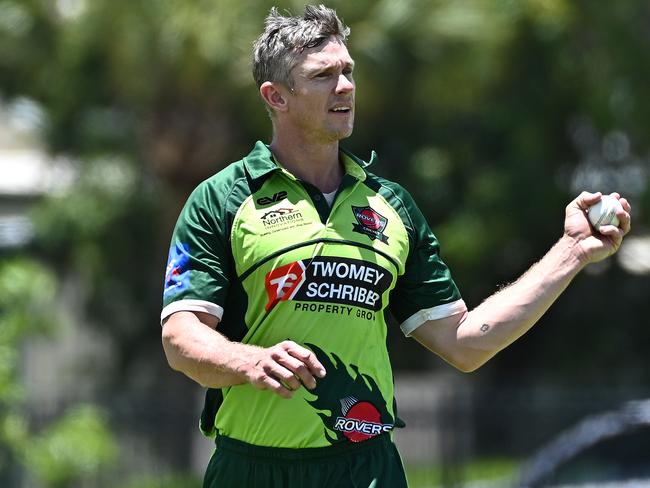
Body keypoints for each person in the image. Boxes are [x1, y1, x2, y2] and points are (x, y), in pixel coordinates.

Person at [160, 5, 631, 488]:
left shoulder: (391, 206)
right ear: (276, 96)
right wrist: (251, 361)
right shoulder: (224, 198)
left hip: (367, 470)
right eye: (323, 76)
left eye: (348, 72)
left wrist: (571, 252)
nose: (344, 87)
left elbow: (464, 343)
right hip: (253, 469)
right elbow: (181, 337)